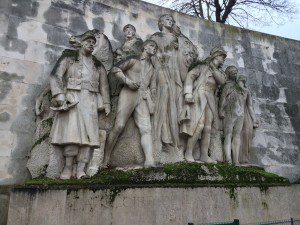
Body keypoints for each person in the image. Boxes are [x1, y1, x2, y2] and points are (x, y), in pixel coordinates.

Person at [50, 30, 111, 179]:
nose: (90, 44)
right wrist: (60, 97)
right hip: (73, 98)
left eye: (93, 43)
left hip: (90, 101)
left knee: (89, 137)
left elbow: (104, 86)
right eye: (88, 42)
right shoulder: (69, 57)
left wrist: (107, 102)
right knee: (72, 134)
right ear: (81, 43)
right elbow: (56, 76)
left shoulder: (98, 65)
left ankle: (81, 169)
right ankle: (68, 166)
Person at [103, 40, 158, 168]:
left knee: (146, 129)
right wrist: (127, 81)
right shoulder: (133, 59)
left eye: (155, 48)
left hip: (143, 96)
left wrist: (151, 99)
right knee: (119, 125)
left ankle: (149, 160)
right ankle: (105, 158)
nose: (154, 49)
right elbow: (115, 69)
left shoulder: (152, 68)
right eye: (152, 46)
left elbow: (153, 87)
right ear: (145, 47)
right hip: (129, 92)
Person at [181, 47, 227, 163]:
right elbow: (190, 76)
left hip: (211, 98)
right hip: (199, 95)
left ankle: (204, 155)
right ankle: (188, 152)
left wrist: (214, 68)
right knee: (199, 125)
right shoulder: (202, 67)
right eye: (222, 57)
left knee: (208, 128)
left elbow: (222, 82)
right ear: (216, 56)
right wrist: (188, 93)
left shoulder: (220, 72)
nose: (223, 59)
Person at [150, 14, 182, 149]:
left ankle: (169, 137)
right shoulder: (156, 36)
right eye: (168, 19)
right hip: (161, 71)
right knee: (162, 100)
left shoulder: (174, 38)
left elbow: (178, 60)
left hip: (173, 73)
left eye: (172, 20)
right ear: (161, 22)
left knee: (171, 104)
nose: (171, 21)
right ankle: (158, 136)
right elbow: (152, 54)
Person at [219, 68, 259, 164]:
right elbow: (223, 99)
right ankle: (228, 158)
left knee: (236, 136)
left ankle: (236, 160)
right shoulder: (229, 87)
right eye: (232, 72)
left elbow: (249, 106)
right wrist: (221, 110)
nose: (235, 73)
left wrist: (254, 119)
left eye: (236, 72)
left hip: (240, 115)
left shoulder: (246, 91)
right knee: (228, 135)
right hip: (229, 113)